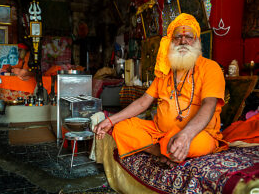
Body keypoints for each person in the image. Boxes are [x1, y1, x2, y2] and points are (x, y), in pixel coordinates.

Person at [94, 13, 227, 167]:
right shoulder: (165, 71)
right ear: (171, 42)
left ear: (197, 40)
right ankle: (163, 151)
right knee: (122, 128)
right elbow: (143, 102)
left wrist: (186, 135)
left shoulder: (210, 68)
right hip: (159, 132)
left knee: (199, 144)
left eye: (189, 37)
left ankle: (170, 148)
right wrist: (111, 120)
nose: (183, 41)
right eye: (178, 37)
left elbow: (209, 104)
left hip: (197, 133)